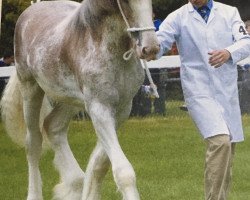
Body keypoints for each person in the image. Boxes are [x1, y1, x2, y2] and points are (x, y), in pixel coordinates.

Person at [155, 0, 250, 199]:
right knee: (220, 142)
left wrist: (228, 52)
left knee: (227, 153)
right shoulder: (178, 17)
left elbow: (246, 42)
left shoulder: (229, 12)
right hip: (198, 91)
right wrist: (148, 48)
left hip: (225, 91)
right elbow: (159, 43)